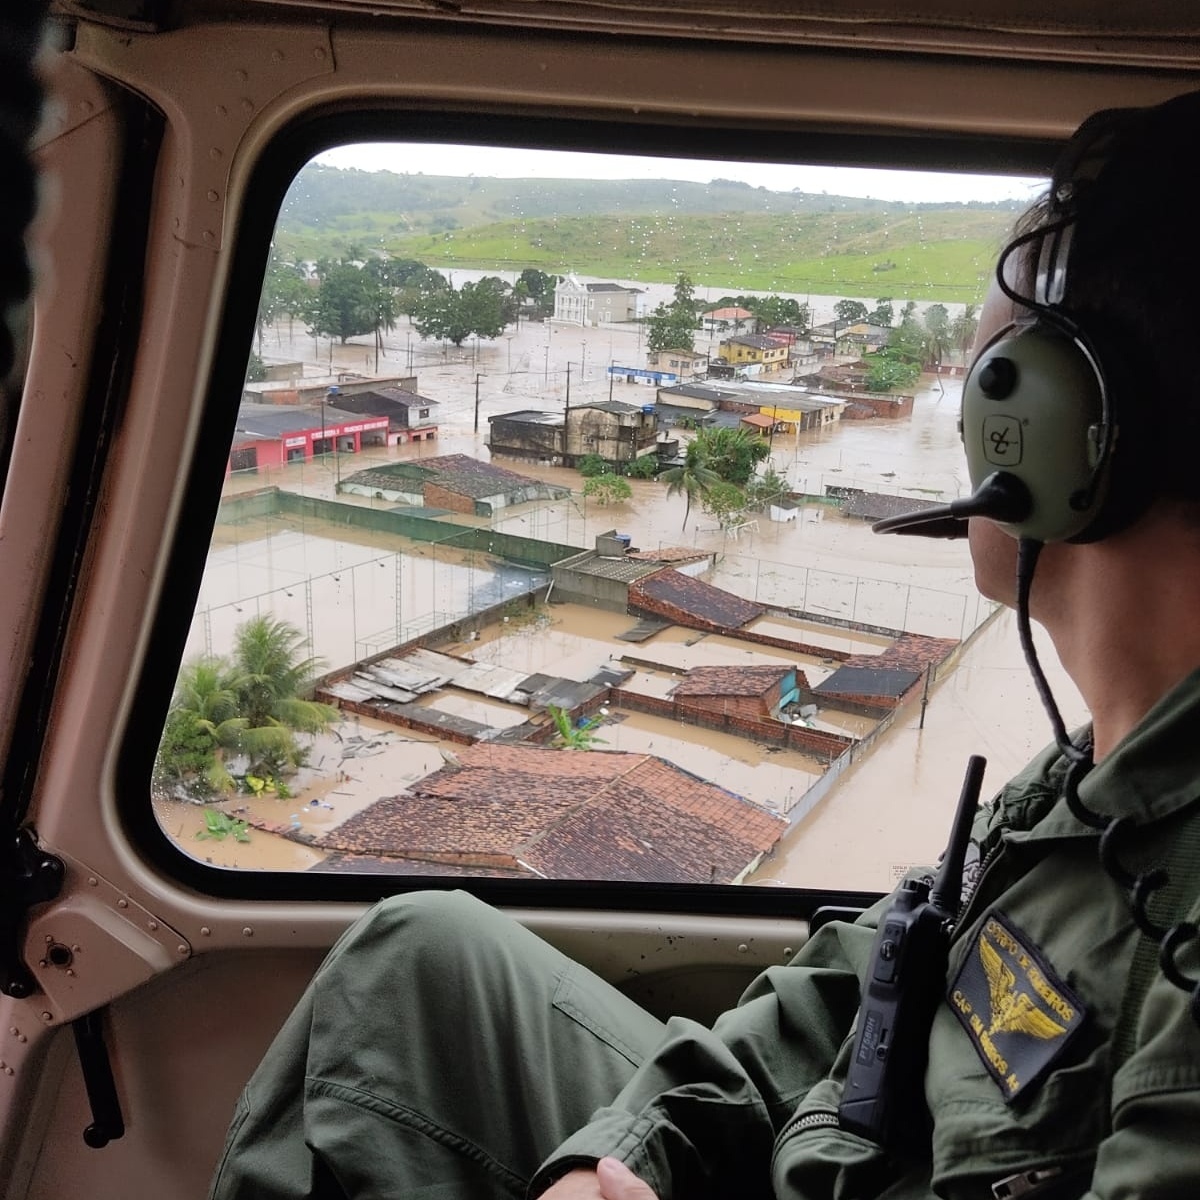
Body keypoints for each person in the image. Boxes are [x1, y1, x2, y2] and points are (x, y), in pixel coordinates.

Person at [209, 93, 1200, 1200]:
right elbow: (860, 980)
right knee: (414, 956)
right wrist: (623, 1158)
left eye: (985, 384)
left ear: (1057, 428)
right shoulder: (1083, 779)